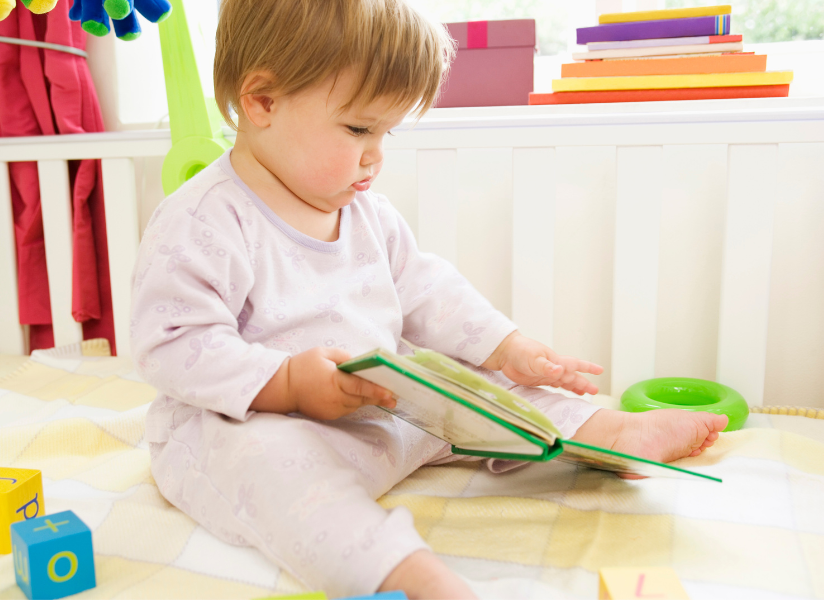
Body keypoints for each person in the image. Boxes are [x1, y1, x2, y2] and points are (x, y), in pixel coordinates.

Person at [131, 0, 728, 597]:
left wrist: (504, 347)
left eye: (387, 132)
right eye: (360, 129)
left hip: (382, 411)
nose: (377, 155)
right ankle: (402, 571)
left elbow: (425, 290)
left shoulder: (367, 214)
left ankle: (608, 433)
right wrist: (286, 382)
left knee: (473, 386)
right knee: (270, 464)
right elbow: (174, 344)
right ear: (262, 101)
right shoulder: (203, 220)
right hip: (263, 420)